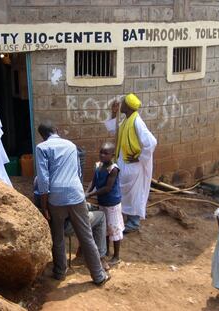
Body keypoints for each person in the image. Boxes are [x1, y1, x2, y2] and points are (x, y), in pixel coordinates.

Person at [35, 120, 110, 285]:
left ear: (42, 136)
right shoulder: (70, 145)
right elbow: (79, 171)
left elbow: (43, 179)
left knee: (58, 237)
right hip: (76, 195)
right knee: (86, 237)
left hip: (55, 199)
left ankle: (59, 273)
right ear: (56, 129)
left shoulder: (42, 148)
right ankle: (98, 276)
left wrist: (45, 206)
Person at [104, 93, 157, 233]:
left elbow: (151, 142)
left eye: (123, 103)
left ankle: (133, 223)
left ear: (128, 106)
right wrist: (113, 113)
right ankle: (125, 219)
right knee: (125, 193)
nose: (121, 104)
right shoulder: (128, 120)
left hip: (133, 167)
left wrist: (140, 158)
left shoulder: (137, 122)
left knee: (133, 195)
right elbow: (114, 130)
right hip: (124, 164)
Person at [33, 177, 109, 271]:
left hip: (50, 225)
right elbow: (76, 208)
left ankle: (73, 259)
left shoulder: (39, 179)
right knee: (100, 216)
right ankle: (100, 257)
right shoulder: (65, 180)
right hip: (66, 225)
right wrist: (89, 206)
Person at [86, 142, 124, 266]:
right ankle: (106, 251)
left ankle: (116, 255)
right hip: (102, 201)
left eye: (105, 153)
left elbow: (108, 188)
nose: (102, 155)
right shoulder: (98, 166)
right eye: (101, 152)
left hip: (112, 203)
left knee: (114, 229)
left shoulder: (113, 169)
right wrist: (87, 191)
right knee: (105, 228)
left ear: (112, 155)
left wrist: (90, 195)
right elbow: (94, 181)